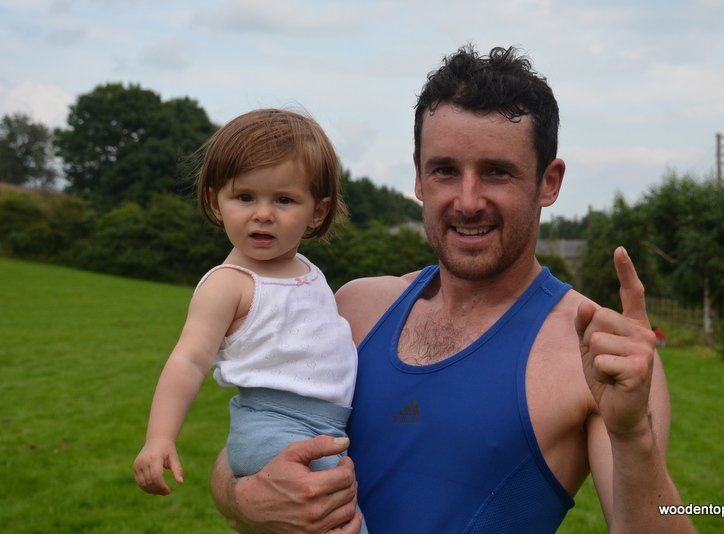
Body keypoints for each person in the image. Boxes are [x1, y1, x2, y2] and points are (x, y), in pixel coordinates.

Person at [210, 46, 694, 533]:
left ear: (549, 183)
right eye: (445, 170)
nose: (467, 201)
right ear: (419, 177)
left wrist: (634, 440)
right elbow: (250, 440)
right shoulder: (354, 309)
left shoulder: (595, 354)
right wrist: (243, 498)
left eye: (497, 172)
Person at [133, 108, 367, 532]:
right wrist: (160, 438)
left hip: (325, 425)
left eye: (284, 200)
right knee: (340, 521)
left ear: (317, 211)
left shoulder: (308, 273)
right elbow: (187, 362)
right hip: (273, 426)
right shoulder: (230, 284)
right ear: (214, 202)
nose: (263, 213)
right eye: (245, 197)